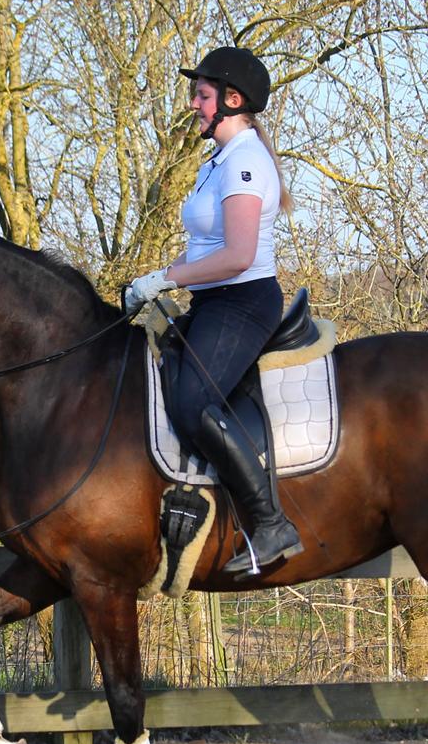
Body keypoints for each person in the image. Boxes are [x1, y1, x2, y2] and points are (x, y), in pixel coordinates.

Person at [124, 45, 302, 575]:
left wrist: (168, 278)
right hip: (213, 298)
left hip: (243, 301)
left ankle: (270, 523)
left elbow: (238, 256)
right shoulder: (218, 162)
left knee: (193, 403)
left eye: (202, 96)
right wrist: (153, 279)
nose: (195, 105)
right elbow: (204, 248)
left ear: (232, 99)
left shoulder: (246, 161)